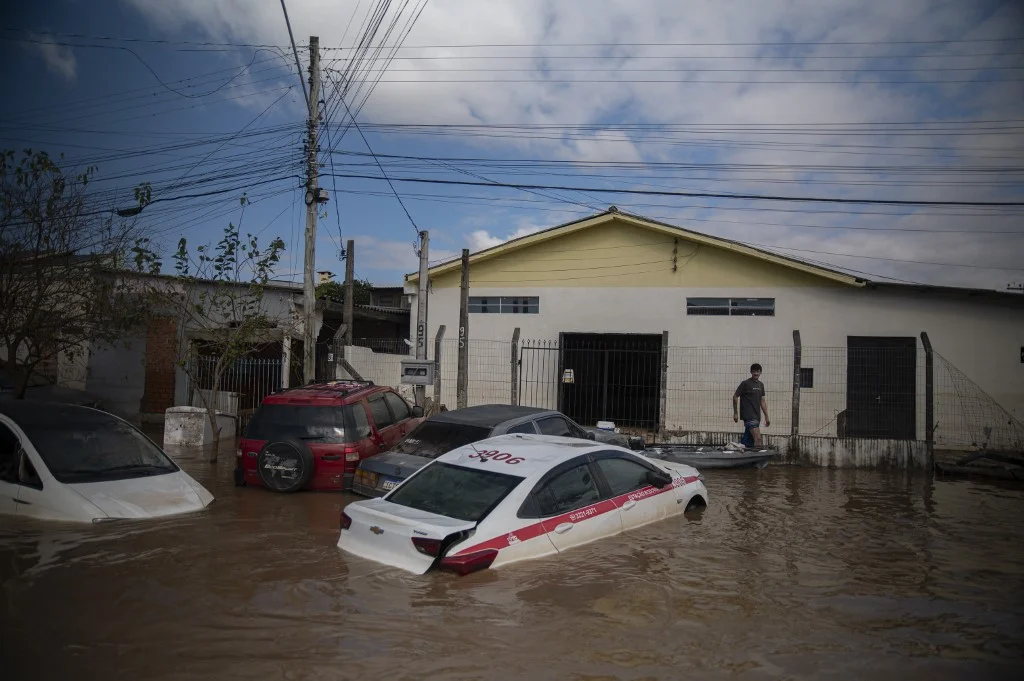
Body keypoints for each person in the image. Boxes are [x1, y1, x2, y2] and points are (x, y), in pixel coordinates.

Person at [733, 363, 770, 448]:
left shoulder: (761, 385)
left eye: (757, 371)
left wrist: (766, 417)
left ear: (760, 372)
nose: (756, 373)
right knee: (758, 439)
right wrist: (735, 413)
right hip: (749, 416)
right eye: (754, 371)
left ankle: (742, 458)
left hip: (757, 417)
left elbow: (762, 401)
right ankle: (758, 460)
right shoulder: (745, 384)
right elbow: (735, 397)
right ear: (751, 372)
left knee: (748, 443)